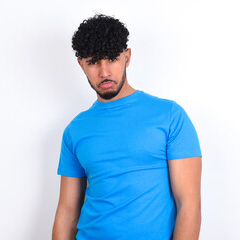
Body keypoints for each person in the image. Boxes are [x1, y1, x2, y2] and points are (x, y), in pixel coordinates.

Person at [52, 14, 202, 240]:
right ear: (81, 64)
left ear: (127, 57)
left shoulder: (169, 116)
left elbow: (189, 204)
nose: (104, 72)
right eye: (93, 62)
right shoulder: (75, 130)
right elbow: (67, 212)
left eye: (112, 59)